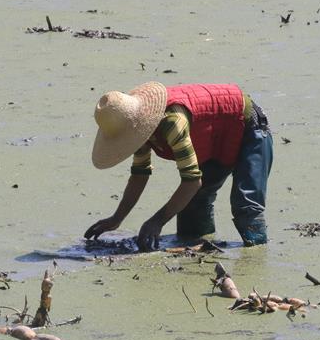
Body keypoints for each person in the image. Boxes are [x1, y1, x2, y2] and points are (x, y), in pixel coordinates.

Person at [84, 82, 273, 251]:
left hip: (248, 127)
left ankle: (258, 257)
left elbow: (192, 182)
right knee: (191, 210)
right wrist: (117, 218)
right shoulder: (139, 133)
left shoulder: (172, 123)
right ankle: (202, 253)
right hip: (212, 138)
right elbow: (140, 174)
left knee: (246, 207)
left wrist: (157, 221)